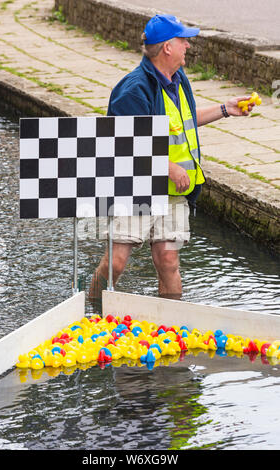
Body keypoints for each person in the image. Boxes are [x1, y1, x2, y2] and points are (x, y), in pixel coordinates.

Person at [89, 14, 255, 303]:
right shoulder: (133, 89)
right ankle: (90, 306)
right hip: (136, 187)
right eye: (182, 40)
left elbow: (185, 121)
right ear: (167, 47)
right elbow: (121, 142)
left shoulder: (178, 79)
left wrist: (225, 109)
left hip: (173, 192)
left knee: (168, 261)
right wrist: (168, 167)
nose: (188, 46)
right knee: (116, 261)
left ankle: (170, 324)